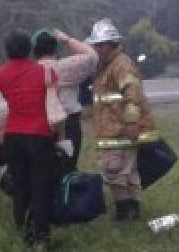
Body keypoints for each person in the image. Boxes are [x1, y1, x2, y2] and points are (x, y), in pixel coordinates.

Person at [0, 33, 57, 245]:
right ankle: (42, 234)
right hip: (40, 135)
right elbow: (55, 105)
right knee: (41, 184)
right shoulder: (45, 72)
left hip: (13, 135)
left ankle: (22, 229)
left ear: (7, 51)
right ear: (29, 50)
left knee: (20, 185)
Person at [85, 18, 158, 222]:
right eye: (95, 45)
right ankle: (132, 210)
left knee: (115, 171)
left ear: (112, 44)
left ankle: (125, 213)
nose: (97, 49)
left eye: (101, 45)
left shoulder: (120, 65)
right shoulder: (107, 65)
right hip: (116, 130)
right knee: (128, 172)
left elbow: (132, 94)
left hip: (120, 130)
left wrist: (132, 122)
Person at [32, 28, 97, 171]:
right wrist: (67, 39)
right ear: (56, 49)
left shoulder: (30, 71)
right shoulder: (66, 66)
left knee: (46, 170)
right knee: (68, 166)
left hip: (40, 126)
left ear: (34, 51)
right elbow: (92, 56)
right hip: (68, 124)